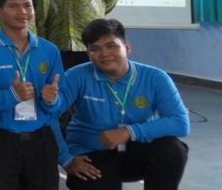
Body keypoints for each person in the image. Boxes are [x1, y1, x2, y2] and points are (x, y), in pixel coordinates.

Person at [54, 19, 190, 190]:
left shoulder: (156, 78)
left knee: (172, 150)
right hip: (90, 155)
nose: (104, 54)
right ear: (88, 54)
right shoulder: (76, 76)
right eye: (95, 49)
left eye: (111, 46)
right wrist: (66, 159)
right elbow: (49, 117)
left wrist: (129, 132)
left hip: (136, 150)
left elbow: (180, 123)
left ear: (127, 48)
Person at [0, 0, 65, 190]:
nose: (22, 12)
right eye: (13, 6)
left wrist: (53, 100)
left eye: (27, 6)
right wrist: (11, 95)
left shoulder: (49, 50)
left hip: (41, 139)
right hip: (0, 140)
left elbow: (60, 100)